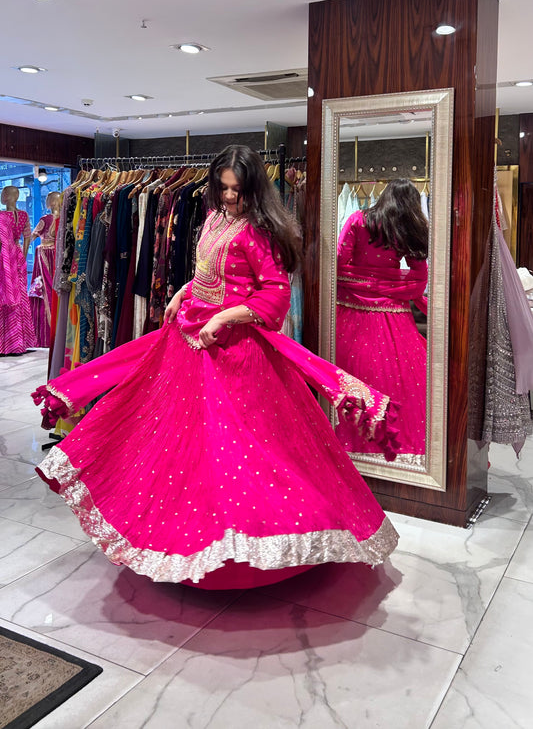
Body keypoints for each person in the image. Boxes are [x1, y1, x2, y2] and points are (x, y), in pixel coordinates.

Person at [33, 146, 399, 589]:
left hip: (234, 354)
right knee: (173, 441)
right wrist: (182, 291)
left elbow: (275, 295)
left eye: (237, 191)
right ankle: (184, 532)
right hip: (188, 341)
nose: (229, 198)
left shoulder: (259, 232)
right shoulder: (212, 218)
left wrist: (226, 317)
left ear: (254, 190)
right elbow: (208, 273)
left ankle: (246, 543)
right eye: (222, 188)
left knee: (239, 451)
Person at [336, 178, 429, 460]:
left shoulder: (358, 220)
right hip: (393, 313)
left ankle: (355, 445)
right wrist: (390, 285)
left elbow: (340, 263)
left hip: (351, 309)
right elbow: (419, 275)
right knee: (402, 381)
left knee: (355, 377)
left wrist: (365, 281)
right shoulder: (406, 229)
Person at [0, 185, 36, 354]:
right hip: (17, 255)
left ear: (7, 196)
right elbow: (27, 237)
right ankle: (19, 342)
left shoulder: (1, 216)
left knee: (4, 294)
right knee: (20, 296)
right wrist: (21, 252)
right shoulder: (23, 215)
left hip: (4, 259)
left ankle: (6, 343)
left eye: (2, 194)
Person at [29, 191, 61, 347]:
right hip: (58, 254)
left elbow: (32, 236)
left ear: (51, 202)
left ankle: (45, 333)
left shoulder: (45, 219)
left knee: (43, 291)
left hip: (44, 255)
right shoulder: (62, 219)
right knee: (55, 290)